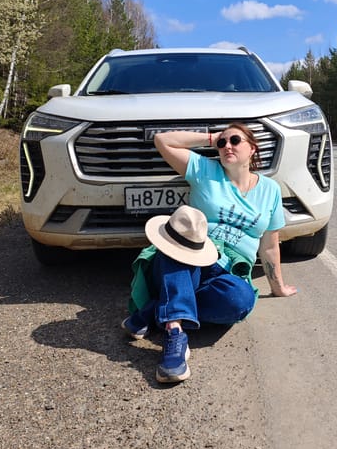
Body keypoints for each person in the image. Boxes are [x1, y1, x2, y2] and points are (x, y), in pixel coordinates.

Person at [121, 122, 297, 383]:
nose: (227, 146)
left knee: (241, 301)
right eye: (222, 143)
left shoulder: (269, 190)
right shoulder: (205, 170)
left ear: (252, 148)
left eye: (235, 140)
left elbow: (270, 245)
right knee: (177, 246)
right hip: (189, 258)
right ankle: (174, 335)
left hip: (227, 270)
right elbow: (163, 140)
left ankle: (157, 309)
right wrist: (211, 136)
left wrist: (278, 286)